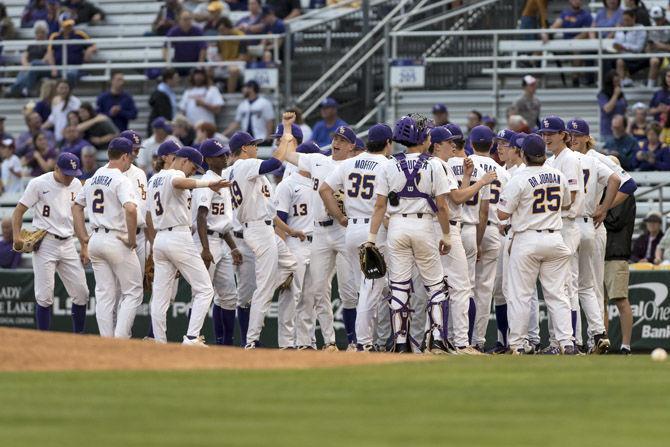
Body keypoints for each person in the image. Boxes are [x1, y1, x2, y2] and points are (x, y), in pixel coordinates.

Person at [364, 115, 452, 354]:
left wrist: (371, 239)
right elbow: (442, 206)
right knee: (435, 285)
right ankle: (436, 340)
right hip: (423, 226)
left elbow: (379, 206)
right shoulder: (435, 164)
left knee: (399, 286)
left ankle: (400, 342)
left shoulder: (389, 164)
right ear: (421, 137)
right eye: (428, 133)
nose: (430, 137)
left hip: (396, 228)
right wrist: (447, 235)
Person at [498, 134, 576, 355]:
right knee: (557, 294)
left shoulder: (519, 177)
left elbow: (502, 212)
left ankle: (518, 344)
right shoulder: (558, 174)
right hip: (554, 237)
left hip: (527, 238)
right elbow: (567, 203)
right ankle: (567, 342)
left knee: (520, 295)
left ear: (523, 154)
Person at [317, 124, 392, 351]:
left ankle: (373, 340)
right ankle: (365, 343)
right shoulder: (387, 164)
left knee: (369, 289)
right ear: (388, 143)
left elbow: (324, 189)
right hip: (374, 230)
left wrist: (339, 216)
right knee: (373, 289)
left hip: (351, 230)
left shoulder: (350, 162)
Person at [225, 113, 296, 349]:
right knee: (263, 290)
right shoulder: (244, 165)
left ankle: (260, 301)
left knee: (291, 264)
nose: (257, 149)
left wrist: (288, 230)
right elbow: (275, 162)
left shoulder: (241, 171)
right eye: (254, 145)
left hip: (263, 228)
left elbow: (270, 210)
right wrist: (287, 130)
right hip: (256, 229)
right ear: (244, 149)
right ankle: (251, 342)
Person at [148, 146, 230, 345]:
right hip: (177, 236)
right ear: (183, 160)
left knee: (160, 296)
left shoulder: (153, 179)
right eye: (193, 167)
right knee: (205, 289)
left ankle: (159, 342)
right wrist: (207, 183)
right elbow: (179, 182)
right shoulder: (174, 174)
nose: (194, 171)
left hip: (160, 239)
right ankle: (192, 337)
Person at [72, 137, 142, 338]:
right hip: (116, 239)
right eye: (130, 156)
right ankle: (119, 341)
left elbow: (76, 206)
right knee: (133, 292)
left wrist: (84, 238)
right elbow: (130, 209)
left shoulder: (94, 177)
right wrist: (131, 239)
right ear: (125, 156)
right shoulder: (121, 179)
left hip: (96, 239)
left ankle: (106, 341)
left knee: (104, 295)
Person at [11, 152, 89, 332]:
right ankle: (43, 337)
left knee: (82, 293)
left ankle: (79, 337)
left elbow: (78, 218)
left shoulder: (77, 184)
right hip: (45, 243)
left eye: (73, 173)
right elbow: (18, 211)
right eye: (67, 173)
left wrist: (84, 245)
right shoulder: (38, 183)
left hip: (68, 242)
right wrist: (16, 237)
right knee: (44, 296)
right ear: (56, 168)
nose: (70, 177)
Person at [566, 118, 621, 354]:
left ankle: (575, 340)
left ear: (587, 137)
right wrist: (603, 207)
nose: (573, 138)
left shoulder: (565, 160)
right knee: (588, 286)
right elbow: (616, 180)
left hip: (573, 223)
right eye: (570, 134)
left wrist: (605, 208)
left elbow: (623, 182)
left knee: (571, 286)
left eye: (577, 134)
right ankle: (598, 334)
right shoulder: (590, 160)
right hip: (588, 224)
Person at [193, 139, 241, 345]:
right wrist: (205, 249)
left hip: (221, 240)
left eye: (225, 153)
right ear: (208, 159)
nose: (225, 156)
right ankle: (193, 336)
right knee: (202, 294)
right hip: (208, 242)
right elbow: (201, 217)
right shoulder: (207, 183)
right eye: (220, 154)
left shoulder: (222, 181)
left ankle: (225, 344)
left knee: (229, 296)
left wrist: (233, 247)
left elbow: (221, 222)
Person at [468, 126, 510, 352]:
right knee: (485, 290)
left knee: (464, 287)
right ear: (492, 144)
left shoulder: (463, 164)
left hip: (467, 228)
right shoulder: (502, 171)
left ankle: (460, 338)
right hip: (494, 230)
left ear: (471, 143)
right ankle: (479, 340)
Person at [274, 141, 318, 349]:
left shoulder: (320, 184)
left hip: (316, 244)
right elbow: (279, 222)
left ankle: (305, 341)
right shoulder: (287, 184)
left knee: (310, 296)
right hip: (295, 244)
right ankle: (286, 343)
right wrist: (283, 256)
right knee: (291, 296)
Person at [603, 160, 635, 355]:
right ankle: (602, 343)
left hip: (616, 252)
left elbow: (615, 220)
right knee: (599, 302)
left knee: (621, 299)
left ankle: (625, 345)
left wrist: (598, 210)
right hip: (600, 252)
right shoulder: (605, 192)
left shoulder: (626, 194)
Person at [542, 0, 593, 86]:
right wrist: (545, 33)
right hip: (566, 44)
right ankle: (531, 63)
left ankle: (575, 79)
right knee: (543, 42)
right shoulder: (565, 14)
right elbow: (555, 26)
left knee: (577, 52)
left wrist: (574, 41)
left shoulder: (586, 15)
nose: (577, 1)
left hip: (580, 44)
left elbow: (586, 32)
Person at [44, 13, 97, 87]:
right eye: (66, 26)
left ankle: (67, 94)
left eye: (70, 25)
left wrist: (89, 50)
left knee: (70, 74)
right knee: (37, 66)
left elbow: (94, 46)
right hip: (59, 67)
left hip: (76, 67)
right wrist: (53, 68)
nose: (69, 27)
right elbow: (49, 53)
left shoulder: (80, 34)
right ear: (61, 26)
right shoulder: (55, 36)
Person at [6, 21, 50, 98]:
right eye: (38, 33)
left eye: (42, 33)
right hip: (29, 67)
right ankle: (18, 89)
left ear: (45, 34)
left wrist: (32, 65)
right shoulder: (31, 46)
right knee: (24, 70)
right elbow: (24, 56)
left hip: (40, 67)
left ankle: (18, 90)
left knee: (33, 66)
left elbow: (46, 58)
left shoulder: (48, 46)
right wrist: (26, 64)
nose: (40, 35)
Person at [612, 9, 648, 87]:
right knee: (610, 59)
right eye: (624, 20)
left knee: (619, 61)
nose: (625, 22)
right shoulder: (619, 29)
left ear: (634, 18)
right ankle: (621, 84)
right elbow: (615, 42)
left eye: (627, 20)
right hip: (622, 55)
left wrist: (624, 47)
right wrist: (615, 46)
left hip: (637, 56)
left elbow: (639, 48)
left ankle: (624, 82)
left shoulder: (640, 29)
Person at [164, 11, 207, 76]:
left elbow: (203, 48)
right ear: (179, 20)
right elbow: (165, 47)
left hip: (195, 61)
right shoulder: (174, 31)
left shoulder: (198, 31)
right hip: (179, 62)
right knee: (167, 72)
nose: (187, 21)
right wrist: (167, 62)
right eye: (185, 19)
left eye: (189, 19)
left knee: (205, 69)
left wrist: (200, 64)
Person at [210, 16, 245, 94]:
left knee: (233, 70)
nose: (220, 32)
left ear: (229, 28)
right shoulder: (220, 38)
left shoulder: (241, 37)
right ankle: (212, 95)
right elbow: (219, 54)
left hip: (238, 64)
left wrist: (229, 63)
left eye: (222, 30)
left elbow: (242, 57)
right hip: (225, 63)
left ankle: (230, 95)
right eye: (219, 30)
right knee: (208, 69)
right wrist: (221, 61)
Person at [598, 70, 627, 139]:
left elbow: (625, 109)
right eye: (616, 82)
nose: (618, 84)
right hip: (608, 131)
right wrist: (615, 95)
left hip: (621, 130)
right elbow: (607, 109)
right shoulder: (602, 94)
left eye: (619, 81)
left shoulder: (621, 94)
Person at [148, 69, 180, 133]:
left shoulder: (169, 92)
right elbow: (164, 114)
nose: (178, 80)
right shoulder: (161, 94)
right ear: (168, 80)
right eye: (175, 78)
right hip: (161, 130)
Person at [646, 6, 670, 88]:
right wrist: (649, 47)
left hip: (667, 54)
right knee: (654, 61)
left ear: (664, 16)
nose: (657, 22)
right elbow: (648, 48)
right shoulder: (652, 27)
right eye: (655, 19)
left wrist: (662, 46)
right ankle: (650, 87)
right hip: (655, 54)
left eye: (659, 19)